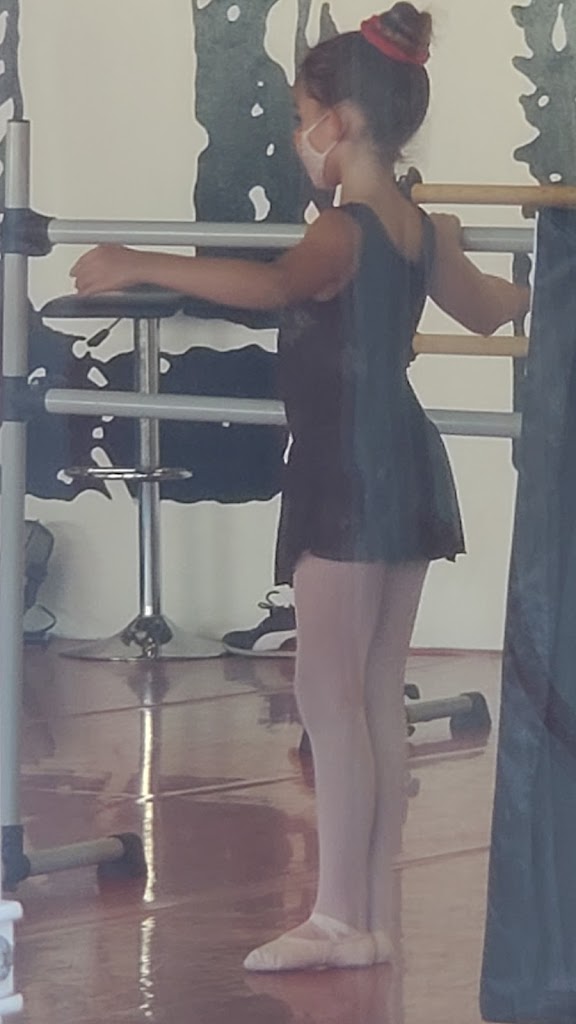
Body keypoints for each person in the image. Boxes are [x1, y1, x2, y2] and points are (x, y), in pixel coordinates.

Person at [71, 3, 530, 973]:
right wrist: (545, 285)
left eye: (298, 117)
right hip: (403, 457)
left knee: (330, 695)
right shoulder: (422, 228)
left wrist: (133, 261)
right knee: (372, 693)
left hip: (348, 468)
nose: (295, 137)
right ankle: (371, 914)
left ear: (342, 122)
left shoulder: (346, 231)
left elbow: (274, 286)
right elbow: (492, 310)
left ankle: (338, 919)